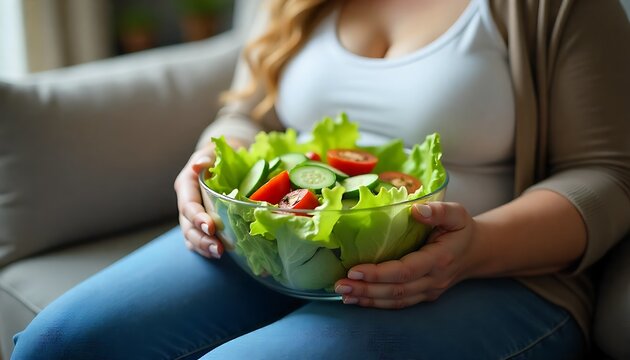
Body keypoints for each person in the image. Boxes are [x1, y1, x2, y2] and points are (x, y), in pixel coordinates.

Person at [11, 0, 630, 359]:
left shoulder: (558, 8)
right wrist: (210, 163)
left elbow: (609, 175)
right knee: (56, 345)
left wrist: (472, 252)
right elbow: (253, 111)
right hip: (273, 248)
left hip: (495, 275)